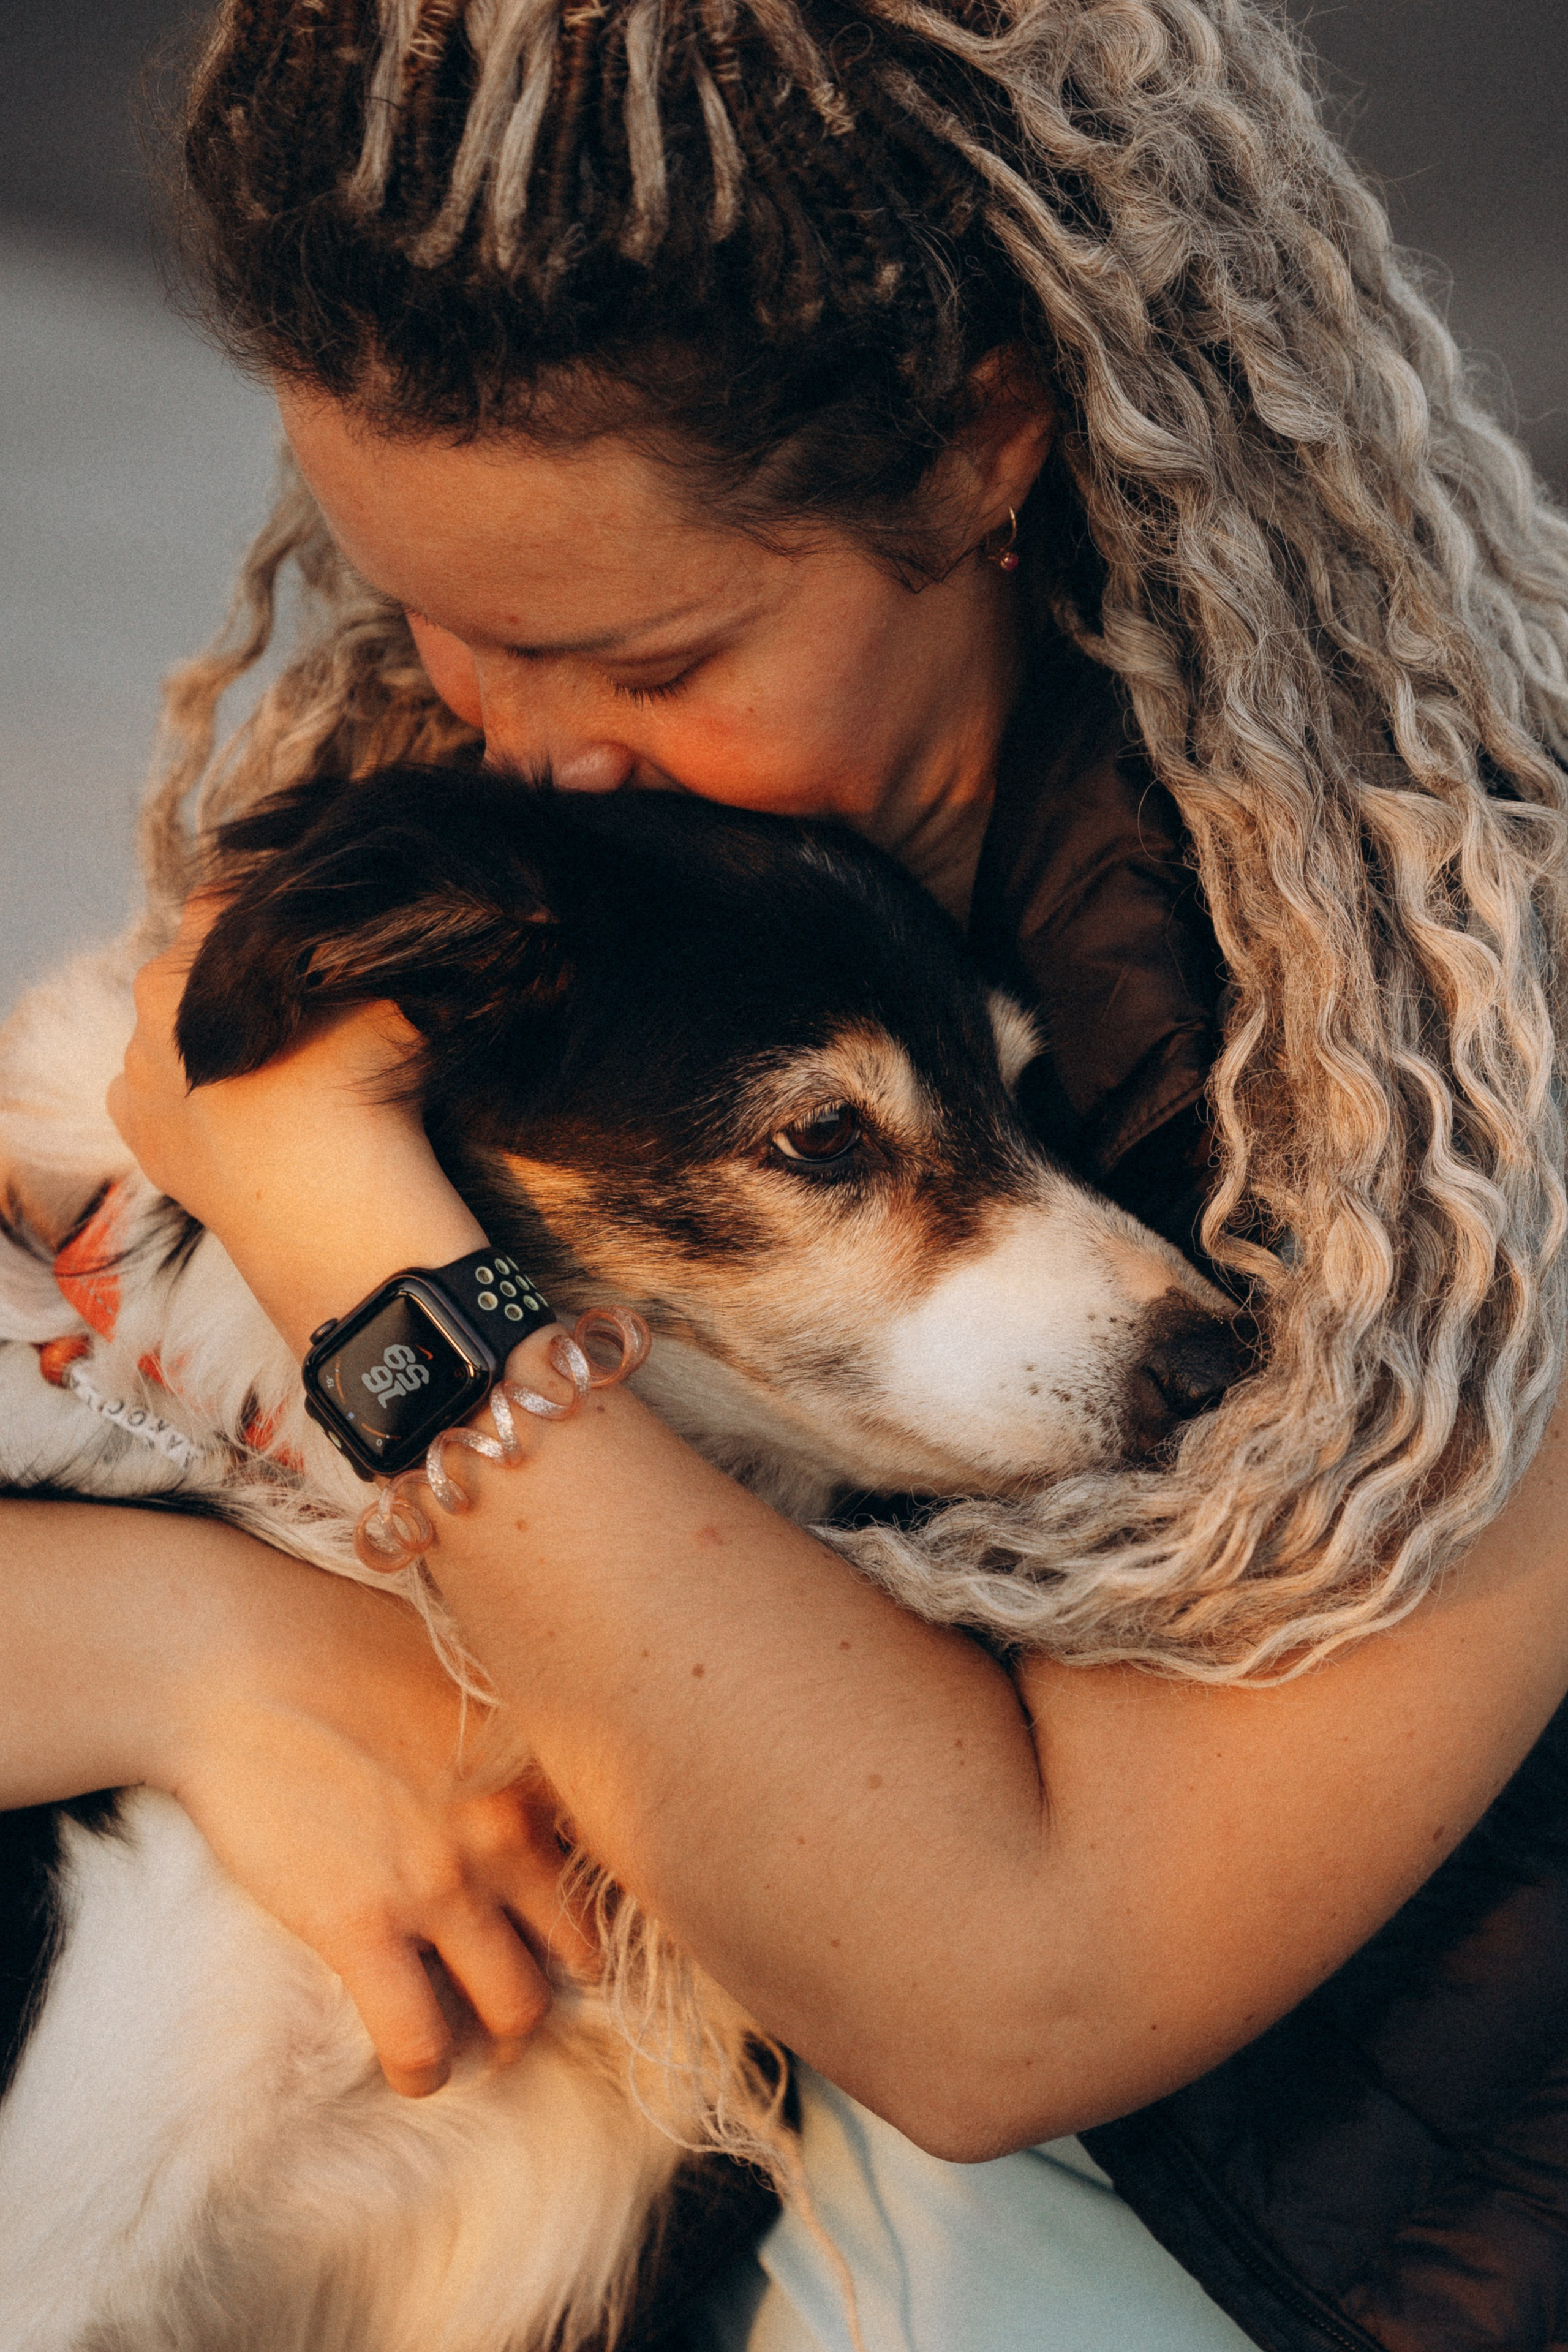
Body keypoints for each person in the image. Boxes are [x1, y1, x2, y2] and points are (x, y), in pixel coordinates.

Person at [7, 0, 1568, 2343]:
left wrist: (336, 1216)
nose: (538, 752)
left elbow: (1006, 1997)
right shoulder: (508, 841)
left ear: (987, 451)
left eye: (647, 656)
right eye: (443, 617)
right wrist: (204, 1644)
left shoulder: (1472, 1075)